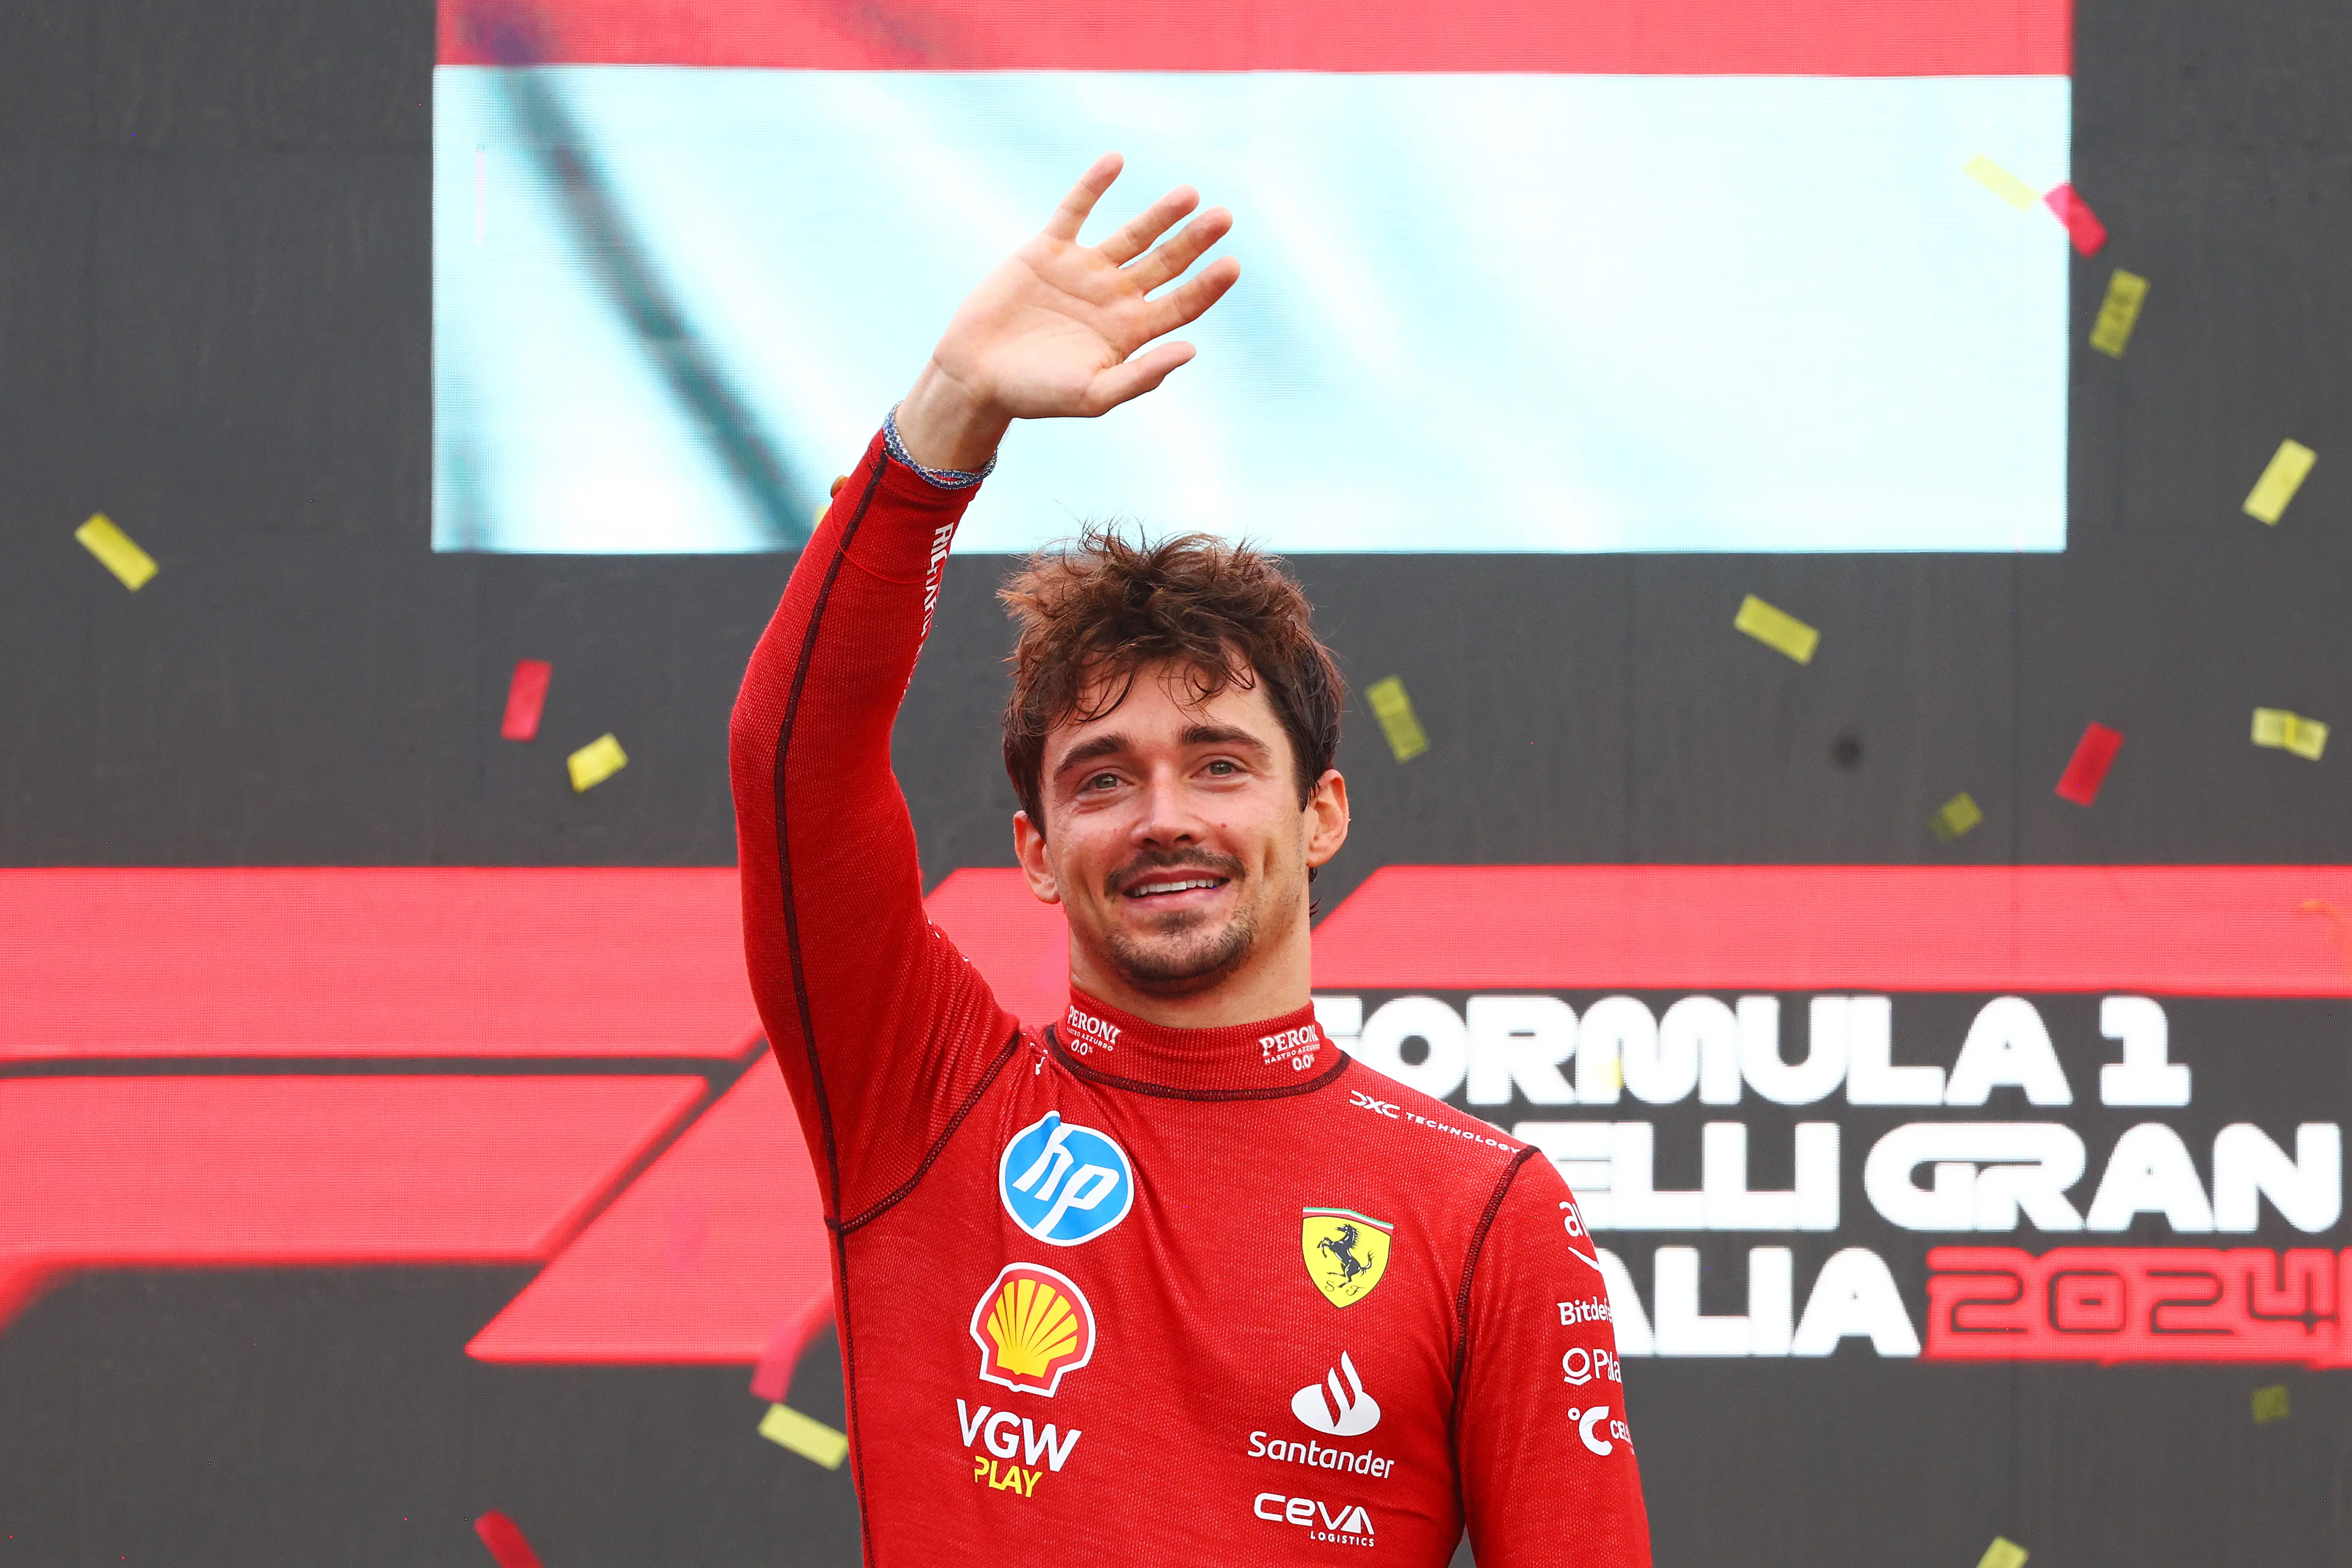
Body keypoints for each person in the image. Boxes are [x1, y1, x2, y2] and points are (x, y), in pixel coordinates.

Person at [730, 152, 1650, 1568]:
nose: (1163, 815)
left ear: (1320, 816)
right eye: (1101, 779)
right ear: (1037, 851)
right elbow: (792, 762)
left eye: (1219, 764)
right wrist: (948, 416)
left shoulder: (1486, 1208)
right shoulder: (923, 1103)